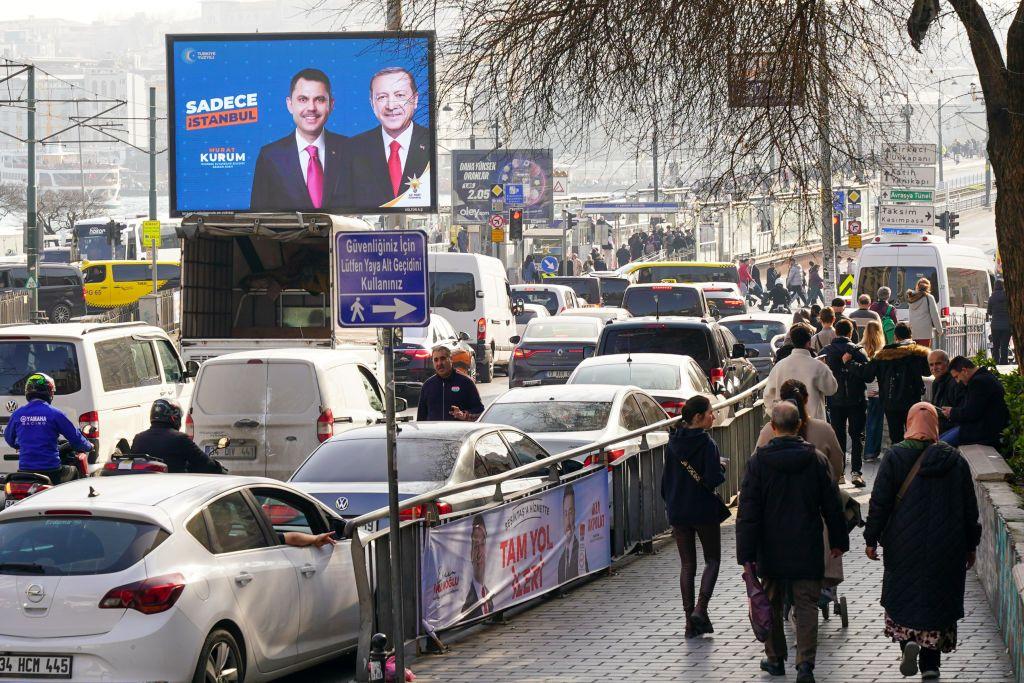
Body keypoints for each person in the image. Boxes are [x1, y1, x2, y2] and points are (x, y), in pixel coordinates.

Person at [864, 403, 980, 681]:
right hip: (946, 546)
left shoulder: (894, 457)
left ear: (908, 423)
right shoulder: (955, 461)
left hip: (902, 544)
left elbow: (879, 503)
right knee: (937, 599)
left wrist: (871, 539)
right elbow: (969, 510)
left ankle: (908, 644)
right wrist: (970, 546)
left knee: (904, 595)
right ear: (936, 426)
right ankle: (931, 665)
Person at [737, 401, 848, 683]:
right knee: (807, 604)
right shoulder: (815, 460)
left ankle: (775, 659)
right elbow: (832, 506)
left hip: (770, 546)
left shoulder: (758, 462)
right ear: (800, 424)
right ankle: (805, 665)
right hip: (807, 543)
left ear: (773, 428)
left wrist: (746, 555)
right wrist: (838, 542)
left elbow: (748, 513)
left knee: (771, 603)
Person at [661, 396, 725, 638]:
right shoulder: (707, 444)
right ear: (698, 417)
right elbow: (712, 479)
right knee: (713, 560)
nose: (713, 416)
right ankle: (701, 608)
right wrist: (721, 469)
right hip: (703, 510)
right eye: (710, 413)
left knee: (687, 565)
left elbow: (664, 483)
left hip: (678, 510)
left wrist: (672, 502)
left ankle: (690, 622)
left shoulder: (672, 442)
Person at [249, 68, 350, 211]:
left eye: (319, 99)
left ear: (331, 105)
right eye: (303, 99)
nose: (311, 108)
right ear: (290, 105)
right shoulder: (270, 156)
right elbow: (258, 218)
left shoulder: (351, 150)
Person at [345, 67, 431, 208]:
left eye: (400, 95)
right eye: (382, 97)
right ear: (372, 103)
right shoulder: (352, 149)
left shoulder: (432, 144)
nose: (391, 105)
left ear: (415, 100)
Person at [844, 322, 930, 445]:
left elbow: (867, 374)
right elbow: (927, 372)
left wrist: (849, 363)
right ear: (910, 335)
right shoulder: (918, 354)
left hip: (890, 400)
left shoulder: (883, 355)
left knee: (896, 436)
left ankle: (898, 460)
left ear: (895, 337)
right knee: (914, 434)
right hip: (913, 399)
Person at [4, 373, 92, 484]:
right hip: (51, 471)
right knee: (74, 470)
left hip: (25, 471)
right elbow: (75, 438)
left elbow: (9, 438)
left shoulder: (18, 413)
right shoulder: (55, 413)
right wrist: (89, 446)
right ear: (49, 392)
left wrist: (23, 444)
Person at [756, 379, 845, 485]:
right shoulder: (825, 430)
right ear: (806, 399)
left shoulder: (768, 430)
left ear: (782, 400)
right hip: (816, 496)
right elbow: (837, 466)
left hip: (775, 496)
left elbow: (756, 467)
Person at [821, 319, 869, 487]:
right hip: (857, 400)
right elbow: (868, 375)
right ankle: (856, 472)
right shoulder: (858, 351)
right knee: (857, 436)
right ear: (851, 333)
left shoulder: (826, 352)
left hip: (835, 400)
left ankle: (840, 472)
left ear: (835, 332)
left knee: (838, 436)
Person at [764, 323, 838, 420]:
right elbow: (831, 389)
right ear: (809, 342)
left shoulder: (779, 366)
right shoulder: (818, 366)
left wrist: (776, 413)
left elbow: (768, 395)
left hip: (785, 422)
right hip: (813, 421)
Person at [130, 399, 225, 473]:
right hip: (176, 489)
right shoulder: (180, 439)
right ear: (175, 416)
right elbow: (204, 462)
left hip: (145, 489)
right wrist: (219, 468)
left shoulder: (138, 438)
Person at [941, 356, 1009, 448]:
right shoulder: (984, 377)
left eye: (957, 377)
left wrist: (951, 412)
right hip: (979, 429)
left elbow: (971, 413)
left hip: (982, 432)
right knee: (938, 441)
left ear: (964, 370)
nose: (957, 381)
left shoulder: (979, 382)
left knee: (938, 446)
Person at [416, 345, 484, 421]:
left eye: (443, 359)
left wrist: (465, 415)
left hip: (458, 432)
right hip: (433, 432)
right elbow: (421, 418)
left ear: (451, 359)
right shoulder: (428, 385)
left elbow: (480, 412)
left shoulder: (466, 382)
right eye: (436, 360)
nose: (439, 363)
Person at [860, 320, 887, 463]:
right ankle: (871, 452)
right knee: (876, 422)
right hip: (877, 391)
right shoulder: (882, 351)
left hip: (863, 391)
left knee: (862, 424)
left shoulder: (859, 348)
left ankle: (863, 450)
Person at [462, 515, 495, 618]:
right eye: (475, 545)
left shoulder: (490, 595)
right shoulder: (466, 605)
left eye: (483, 544)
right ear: (470, 551)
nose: (480, 553)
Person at [557, 484, 589, 584]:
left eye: (570, 512)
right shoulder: (561, 560)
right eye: (565, 514)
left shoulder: (581, 551)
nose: (568, 520)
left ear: (575, 514)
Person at [928, 350, 963, 434]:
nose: (934, 368)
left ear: (947, 363)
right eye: (931, 365)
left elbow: (960, 412)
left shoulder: (955, 381)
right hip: (940, 427)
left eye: (938, 363)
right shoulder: (936, 382)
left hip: (954, 428)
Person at [907, 278, 943, 347]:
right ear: (928, 287)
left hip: (913, 331)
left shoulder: (911, 298)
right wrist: (939, 330)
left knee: (915, 353)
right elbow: (935, 314)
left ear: (917, 286)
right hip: (925, 332)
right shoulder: (929, 297)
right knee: (924, 353)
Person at [988, 279, 1011, 365]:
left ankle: (995, 361)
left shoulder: (991, 298)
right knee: (1004, 345)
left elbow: (989, 312)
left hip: (995, 326)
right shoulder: (1008, 297)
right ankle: (1004, 361)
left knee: (996, 345)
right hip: (1006, 325)